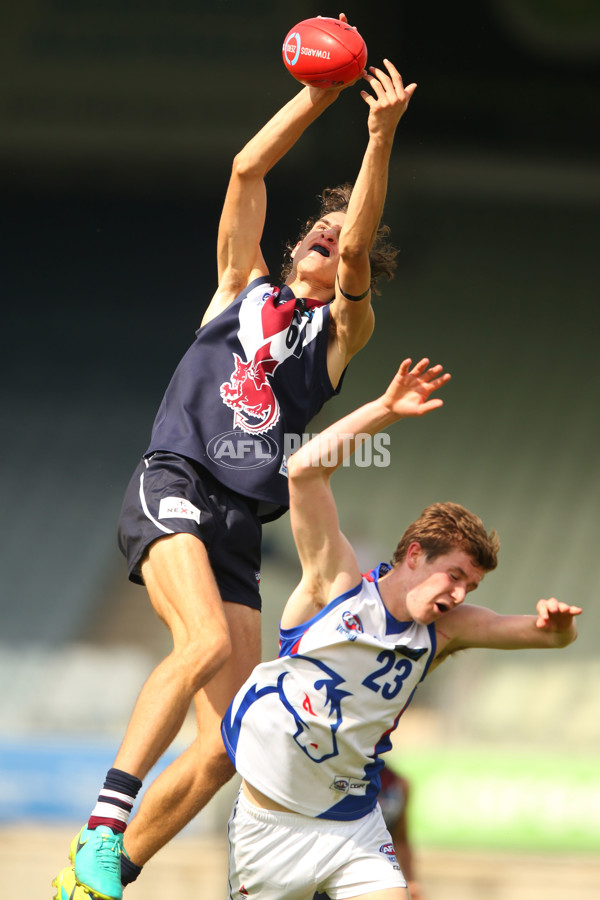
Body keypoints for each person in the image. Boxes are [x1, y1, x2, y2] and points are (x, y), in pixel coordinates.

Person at [51, 15, 418, 900]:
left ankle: (98, 879)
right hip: (175, 477)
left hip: (236, 526)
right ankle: (104, 826)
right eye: (318, 229)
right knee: (203, 639)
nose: (326, 237)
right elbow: (247, 170)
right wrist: (315, 97)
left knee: (228, 742)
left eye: (339, 239)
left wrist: (378, 141)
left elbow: (363, 243)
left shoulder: (339, 335)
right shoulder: (238, 286)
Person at [221, 358, 582, 900]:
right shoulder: (337, 584)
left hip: (354, 825)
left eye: (471, 587)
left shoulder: (448, 629)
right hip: (271, 825)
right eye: (454, 576)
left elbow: (544, 637)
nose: (459, 595)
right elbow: (303, 470)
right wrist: (385, 411)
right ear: (414, 554)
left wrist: (559, 628)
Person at [313, 765, 424, 900]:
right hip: (325, 863)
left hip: (370, 870)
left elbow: (400, 838)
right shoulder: (333, 777)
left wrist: (411, 880)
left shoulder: (398, 784)